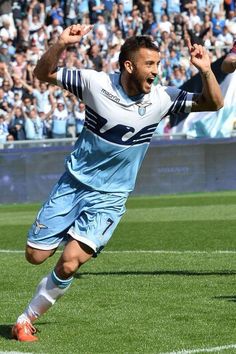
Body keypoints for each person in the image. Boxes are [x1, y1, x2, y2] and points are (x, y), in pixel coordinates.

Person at [11, 24, 223, 342]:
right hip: (73, 184)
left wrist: (206, 69)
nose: (155, 71)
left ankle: (25, 320)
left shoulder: (163, 98)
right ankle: (65, 233)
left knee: (69, 264)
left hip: (110, 196)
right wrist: (60, 44)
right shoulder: (95, 83)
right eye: (149, 64)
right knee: (35, 255)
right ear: (128, 65)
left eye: (158, 64)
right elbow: (44, 74)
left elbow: (214, 104)